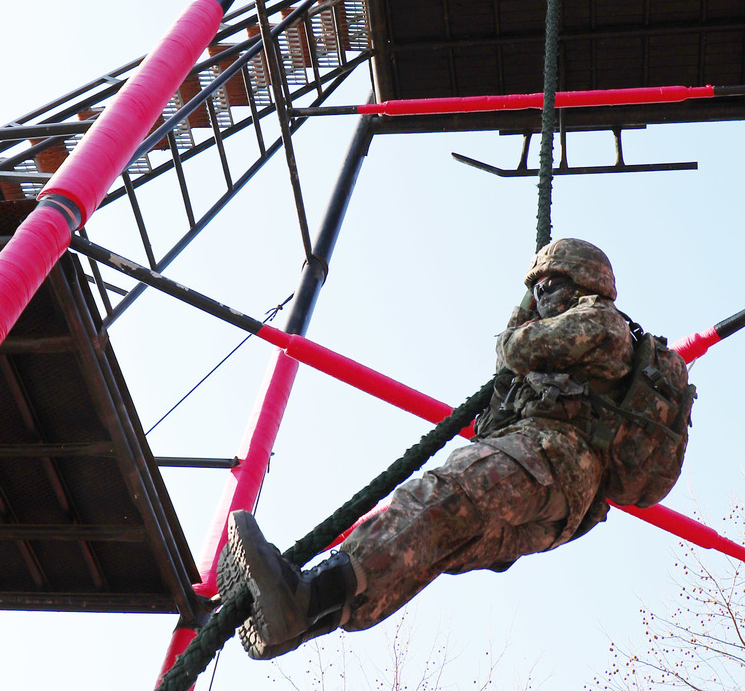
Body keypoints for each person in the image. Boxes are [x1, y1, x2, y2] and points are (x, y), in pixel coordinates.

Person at [218, 238, 693, 660]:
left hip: (548, 458)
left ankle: (300, 599)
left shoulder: (600, 320)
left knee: (435, 498)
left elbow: (512, 351)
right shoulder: (598, 337)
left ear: (581, 280)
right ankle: (306, 616)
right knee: (432, 547)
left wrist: (523, 308)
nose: (542, 296)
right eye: (538, 289)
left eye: (549, 285)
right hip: (563, 502)